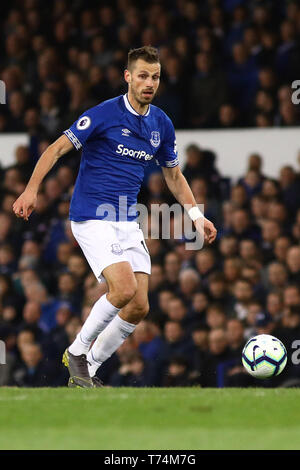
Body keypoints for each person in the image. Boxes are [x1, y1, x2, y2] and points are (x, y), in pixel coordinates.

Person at [12, 46, 217, 388]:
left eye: (155, 77)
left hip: (126, 220)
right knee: (122, 288)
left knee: (139, 307)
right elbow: (57, 148)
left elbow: (173, 175)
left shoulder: (161, 124)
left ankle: (88, 370)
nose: (149, 83)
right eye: (142, 76)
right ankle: (76, 352)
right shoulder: (104, 114)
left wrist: (196, 215)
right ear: (127, 77)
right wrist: (31, 190)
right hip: (92, 215)